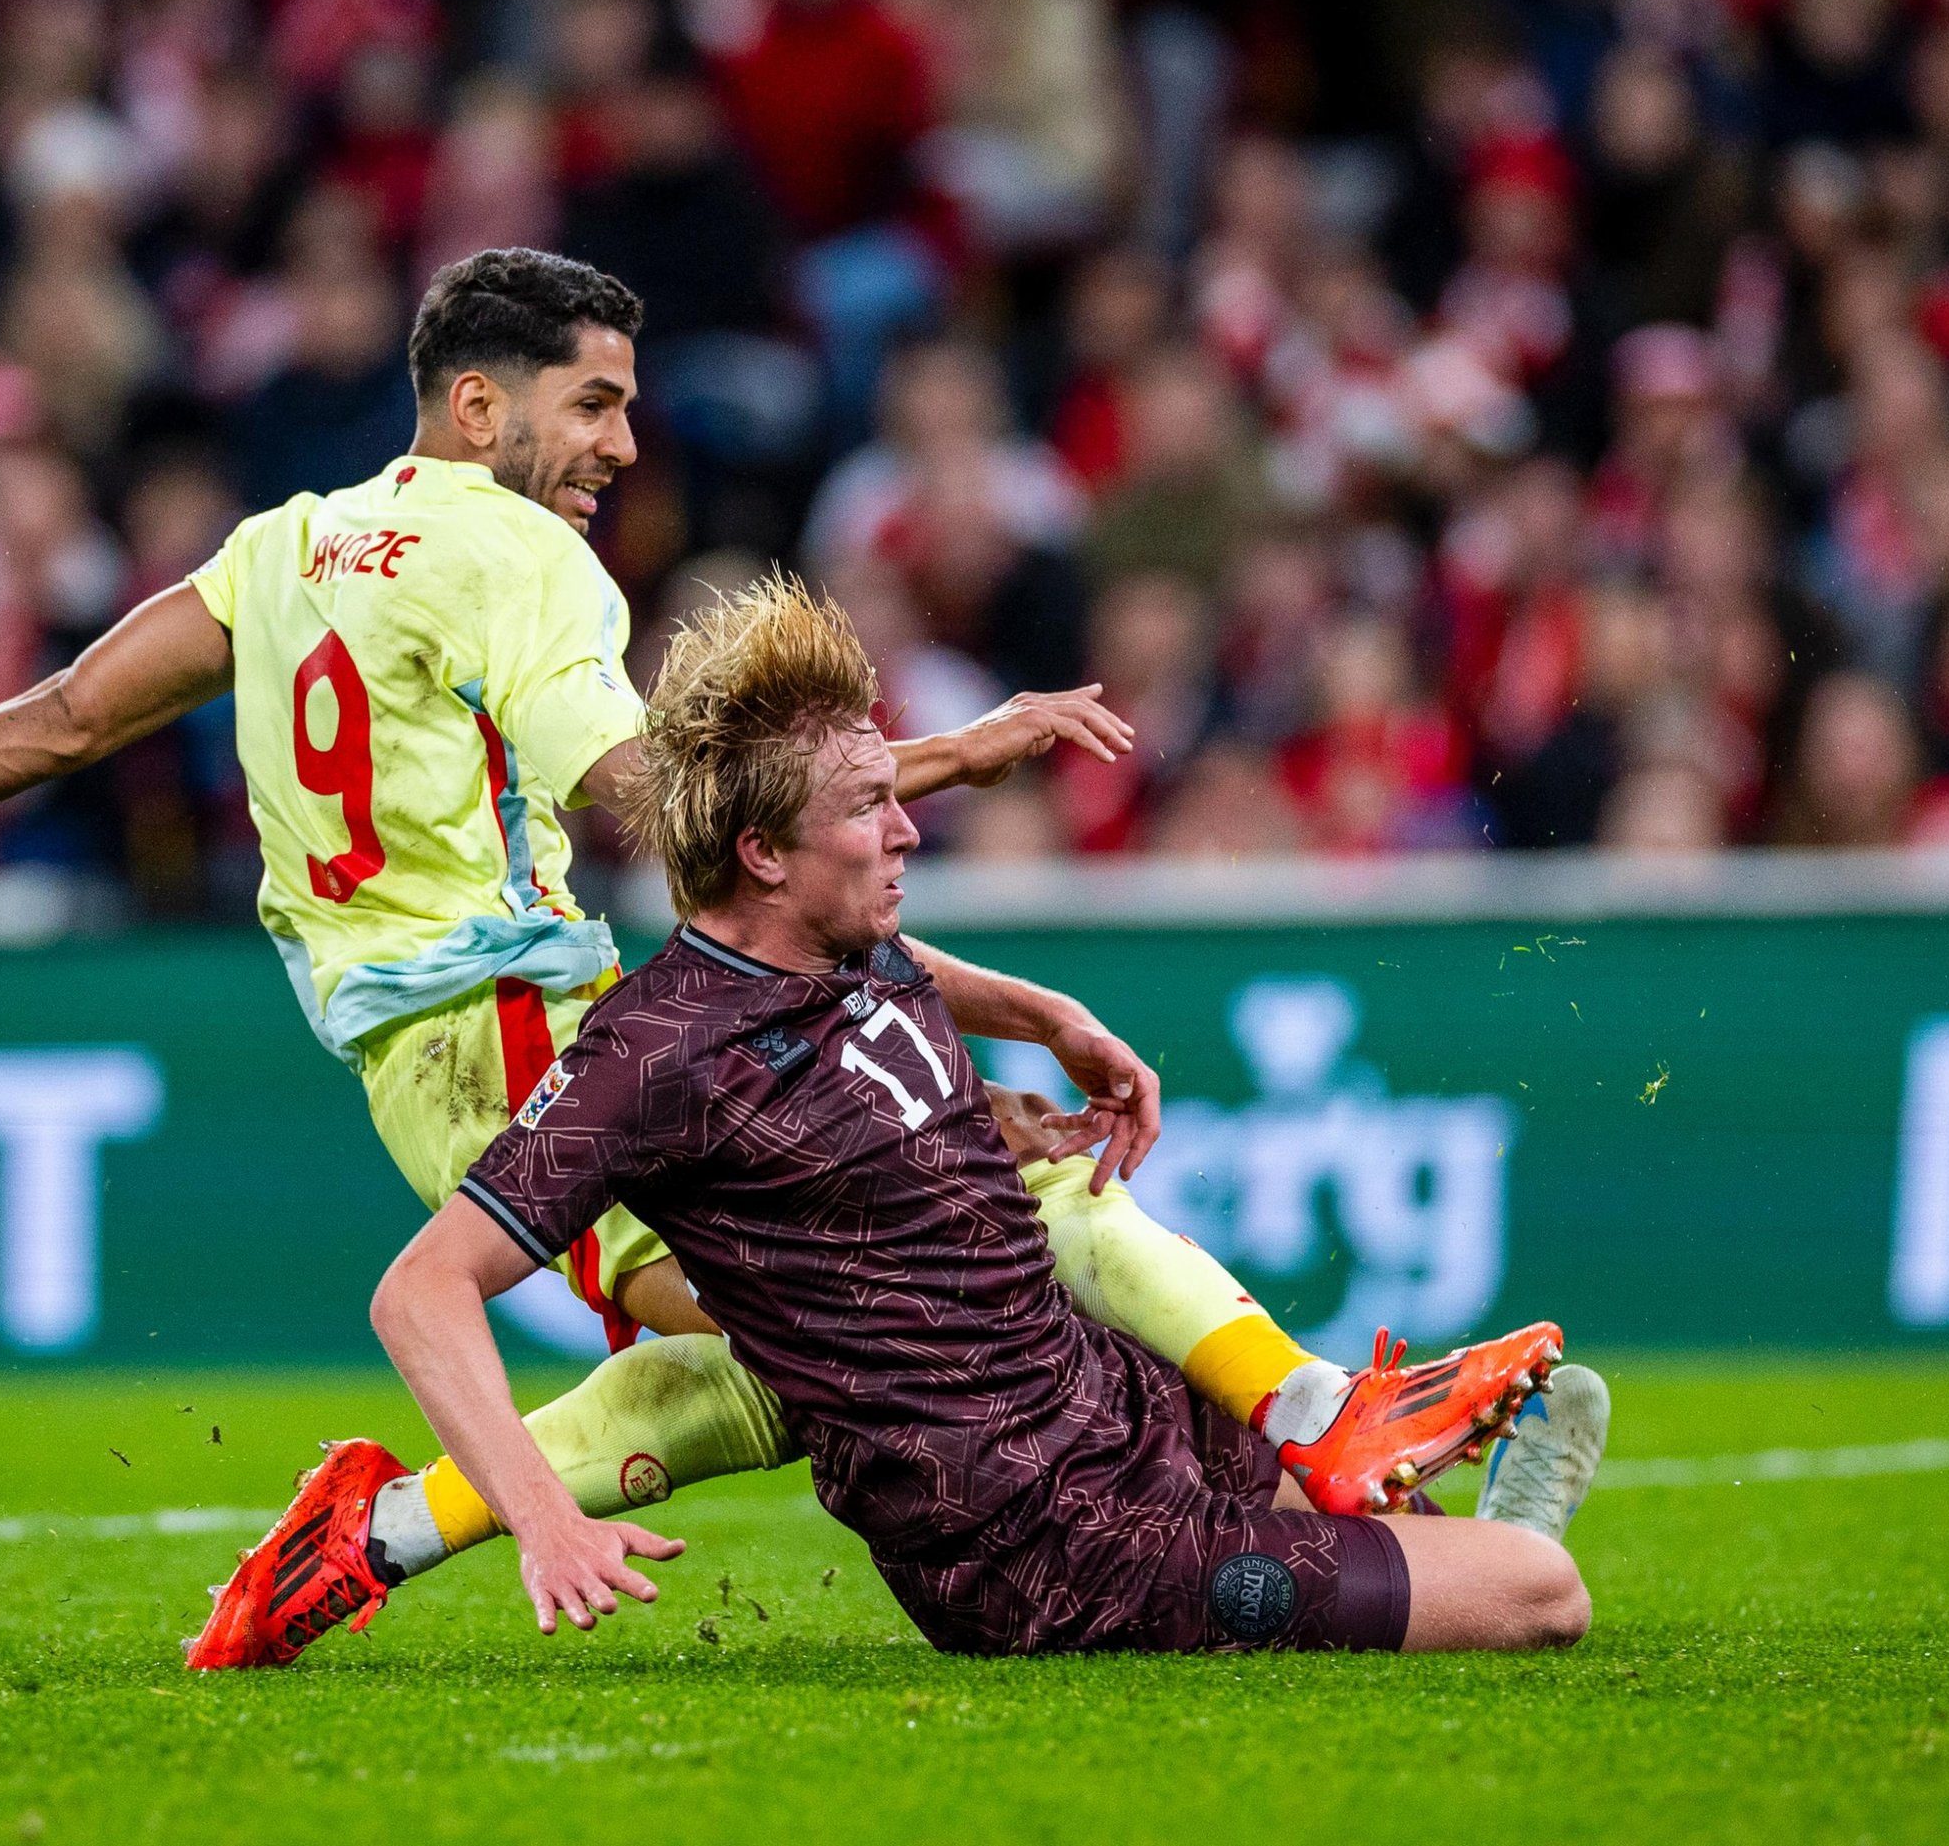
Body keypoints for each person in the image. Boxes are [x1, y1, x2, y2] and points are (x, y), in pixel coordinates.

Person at [0, 249, 1546, 1647]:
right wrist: (937, 761)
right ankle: (1326, 1407)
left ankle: (381, 1530)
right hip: (516, 1027)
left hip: (440, 1042)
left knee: (803, 1343)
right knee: (949, 1224)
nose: (622, 443)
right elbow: (688, 811)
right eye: (595, 403)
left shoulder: (284, 548)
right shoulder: (518, 561)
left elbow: (68, 713)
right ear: (480, 408)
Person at [273, 575, 1607, 1658]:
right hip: (1046, 1546)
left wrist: (1054, 1021)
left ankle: (1358, 1448)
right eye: (870, 805)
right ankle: (1451, 1495)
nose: (911, 830)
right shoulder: (654, 1050)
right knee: (1541, 1593)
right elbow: (423, 1290)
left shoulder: (852, 942)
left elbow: (913, 992)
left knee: (1383, 1511)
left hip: (1112, 1401)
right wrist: (542, 1516)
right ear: (763, 854)